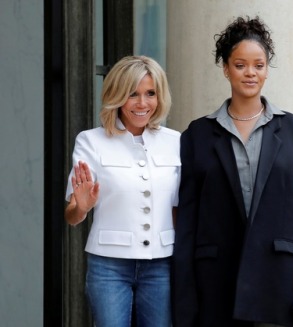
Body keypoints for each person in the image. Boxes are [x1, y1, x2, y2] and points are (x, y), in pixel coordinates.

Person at [172, 16, 293, 327]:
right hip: (216, 289)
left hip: (279, 290)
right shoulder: (197, 136)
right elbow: (188, 227)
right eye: (241, 64)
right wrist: (185, 302)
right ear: (226, 68)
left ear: (267, 69)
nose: (250, 73)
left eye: (258, 65)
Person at [64, 55, 180, 327]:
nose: (142, 103)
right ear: (116, 95)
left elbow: (177, 209)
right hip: (109, 267)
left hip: (161, 265)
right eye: (132, 94)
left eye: (150, 93)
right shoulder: (90, 141)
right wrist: (81, 206)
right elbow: (72, 216)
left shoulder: (176, 141)